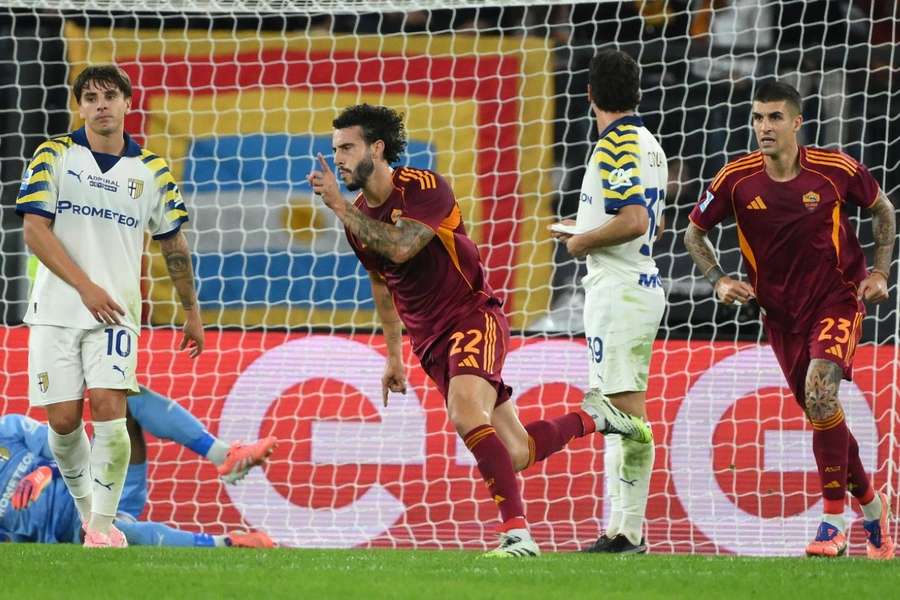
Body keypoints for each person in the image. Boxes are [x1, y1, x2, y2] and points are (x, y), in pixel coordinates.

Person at [307, 103, 651, 557]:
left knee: (467, 412)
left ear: (377, 147)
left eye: (347, 147)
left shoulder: (423, 186)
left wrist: (335, 205)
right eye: (335, 150)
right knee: (516, 453)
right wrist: (394, 354)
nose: (339, 159)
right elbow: (382, 281)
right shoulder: (357, 220)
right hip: (429, 343)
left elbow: (404, 246)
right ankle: (598, 417)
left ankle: (517, 535)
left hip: (471, 316)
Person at [683, 80, 896, 559]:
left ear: (797, 123)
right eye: (757, 117)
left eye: (774, 117)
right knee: (823, 414)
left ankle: (832, 525)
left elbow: (883, 210)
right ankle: (873, 507)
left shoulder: (835, 169)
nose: (764, 127)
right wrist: (717, 279)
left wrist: (880, 271)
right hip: (779, 314)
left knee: (822, 393)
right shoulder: (735, 179)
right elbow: (694, 233)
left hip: (836, 299)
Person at [15, 64, 204, 547]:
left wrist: (192, 310)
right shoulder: (54, 154)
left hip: (116, 314)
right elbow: (34, 231)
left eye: (110, 96)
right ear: (80, 106)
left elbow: (174, 245)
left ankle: (101, 529)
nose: (101, 104)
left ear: (126, 102)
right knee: (62, 422)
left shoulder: (152, 171)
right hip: (57, 310)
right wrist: (84, 287)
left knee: (110, 411)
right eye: (91, 97)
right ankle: (89, 516)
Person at [550, 49, 668, 554]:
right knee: (617, 412)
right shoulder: (649, 143)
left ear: (589, 95)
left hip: (620, 288)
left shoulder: (616, 143)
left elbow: (634, 220)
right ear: (637, 92)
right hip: (628, 285)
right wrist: (586, 228)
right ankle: (619, 529)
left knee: (624, 415)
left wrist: (578, 241)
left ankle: (629, 532)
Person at [0, 388, 276, 547]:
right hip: (76, 527)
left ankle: (222, 454)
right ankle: (227, 544)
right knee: (104, 531)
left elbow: (73, 447)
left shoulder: (8, 429)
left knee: (123, 397)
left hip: (101, 477)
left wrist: (47, 471)